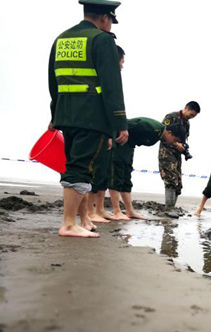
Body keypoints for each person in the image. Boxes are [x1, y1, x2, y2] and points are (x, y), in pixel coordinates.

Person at [48, 0, 128, 238]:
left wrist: (55, 114)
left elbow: (54, 82)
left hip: (66, 114)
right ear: (105, 17)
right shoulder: (102, 40)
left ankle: (82, 219)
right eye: (111, 22)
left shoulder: (61, 39)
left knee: (77, 165)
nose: (111, 27)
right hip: (91, 116)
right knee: (82, 168)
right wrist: (119, 124)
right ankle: (69, 224)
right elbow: (112, 86)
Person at [109, 118, 186, 220]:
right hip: (119, 144)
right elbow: (124, 125)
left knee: (126, 178)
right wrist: (109, 138)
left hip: (129, 146)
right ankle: (117, 211)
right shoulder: (150, 128)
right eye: (175, 140)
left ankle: (130, 211)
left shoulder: (158, 134)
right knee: (117, 176)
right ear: (169, 133)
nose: (174, 143)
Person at [87, 44, 126, 223]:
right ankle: (90, 211)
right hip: (97, 127)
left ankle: (100, 209)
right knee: (94, 172)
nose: (122, 66)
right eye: (122, 62)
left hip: (107, 129)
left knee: (104, 173)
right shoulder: (103, 76)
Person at [159, 101, 200, 209]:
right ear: (186, 108)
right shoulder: (171, 117)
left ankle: (172, 208)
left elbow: (184, 138)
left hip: (177, 155)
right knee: (170, 179)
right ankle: (169, 208)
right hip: (166, 152)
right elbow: (162, 133)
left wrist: (184, 147)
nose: (191, 117)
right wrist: (176, 144)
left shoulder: (186, 123)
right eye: (191, 114)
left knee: (178, 183)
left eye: (194, 116)